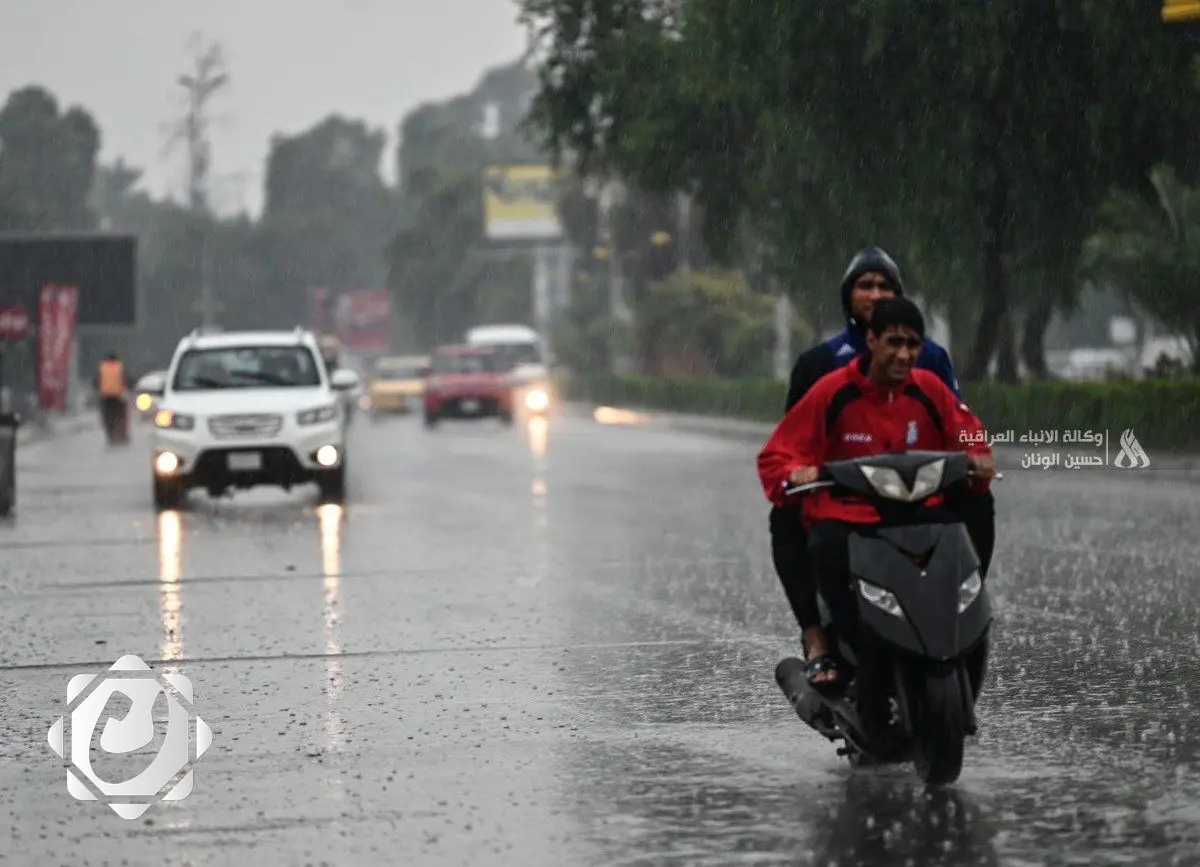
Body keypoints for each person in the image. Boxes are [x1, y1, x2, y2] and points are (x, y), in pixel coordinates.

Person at [768, 247, 996, 686]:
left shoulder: (930, 363)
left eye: (884, 286)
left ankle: (957, 608)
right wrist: (800, 471)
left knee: (977, 507)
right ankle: (818, 640)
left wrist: (975, 454)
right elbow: (792, 439)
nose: (874, 294)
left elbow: (961, 420)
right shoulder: (820, 368)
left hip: (918, 489)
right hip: (845, 495)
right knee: (789, 518)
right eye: (864, 285)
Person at [95, 352, 129, 442]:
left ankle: (110, 435)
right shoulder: (119, 367)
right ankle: (118, 433)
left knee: (107, 416)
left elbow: (97, 381)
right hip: (117, 396)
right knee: (119, 415)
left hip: (105, 396)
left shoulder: (102, 367)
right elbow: (125, 380)